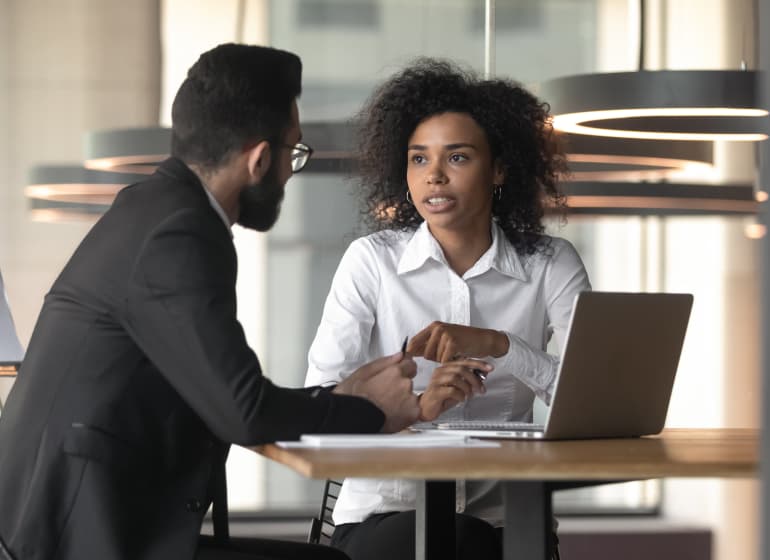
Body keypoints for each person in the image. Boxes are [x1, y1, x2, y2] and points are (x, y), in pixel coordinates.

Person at [0, 44, 421, 560]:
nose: (290, 173)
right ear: (259, 158)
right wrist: (372, 412)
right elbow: (243, 411)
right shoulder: (181, 233)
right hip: (73, 537)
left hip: (76, 519)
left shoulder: (151, 207)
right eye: (293, 153)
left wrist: (342, 393)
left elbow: (221, 391)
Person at [304, 59, 591, 559]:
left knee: (473, 540)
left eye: (457, 158)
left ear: (499, 169)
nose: (434, 175)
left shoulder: (551, 264)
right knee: (460, 542)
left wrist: (503, 347)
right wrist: (412, 411)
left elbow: (588, 400)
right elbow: (321, 397)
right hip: (383, 515)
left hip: (509, 517)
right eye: (419, 159)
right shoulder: (372, 262)